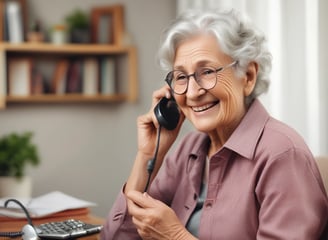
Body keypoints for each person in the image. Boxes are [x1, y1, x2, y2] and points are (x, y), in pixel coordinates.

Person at [100, 8, 328, 239]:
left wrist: (175, 236)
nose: (192, 92)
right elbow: (115, 236)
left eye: (207, 72)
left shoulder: (282, 154)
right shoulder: (189, 149)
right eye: (181, 77)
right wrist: (149, 154)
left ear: (248, 76)